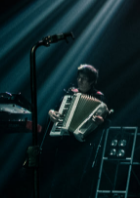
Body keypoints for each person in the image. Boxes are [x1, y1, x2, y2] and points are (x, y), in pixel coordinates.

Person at [47, 64, 111, 198]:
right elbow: (55, 109)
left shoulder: (99, 97)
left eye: (84, 79)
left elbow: (106, 121)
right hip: (64, 142)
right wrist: (51, 113)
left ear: (92, 81)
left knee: (74, 184)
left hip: (82, 146)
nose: (80, 81)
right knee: (56, 182)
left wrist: (100, 121)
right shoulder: (71, 93)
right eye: (79, 78)